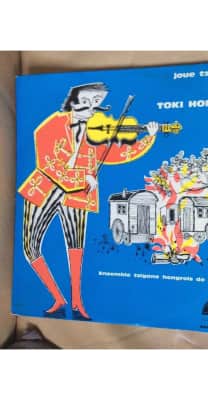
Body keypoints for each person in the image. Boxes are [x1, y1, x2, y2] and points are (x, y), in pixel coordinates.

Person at [18, 82, 159, 319]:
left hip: (78, 193)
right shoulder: (53, 123)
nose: (91, 106)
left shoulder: (94, 134)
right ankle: (57, 297)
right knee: (30, 247)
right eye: (86, 100)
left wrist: (149, 138)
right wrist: (82, 176)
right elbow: (47, 161)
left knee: (75, 244)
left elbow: (118, 153)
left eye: (96, 102)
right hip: (45, 187)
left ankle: (77, 301)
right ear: (72, 101)